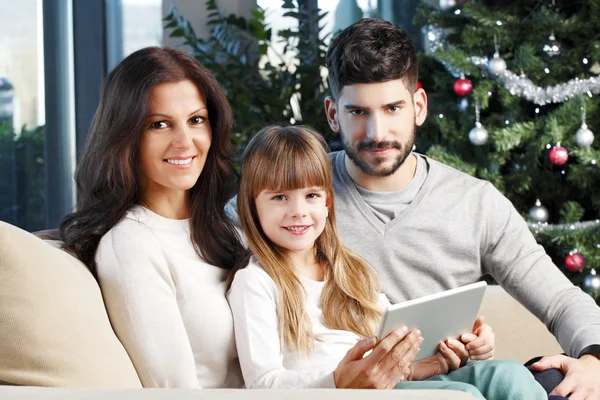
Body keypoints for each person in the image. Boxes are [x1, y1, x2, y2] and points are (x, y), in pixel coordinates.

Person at [319, 18, 600, 399]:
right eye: (357, 113)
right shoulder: (295, 197)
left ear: (418, 106)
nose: (376, 132)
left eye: (392, 108)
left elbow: (561, 300)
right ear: (333, 114)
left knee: (556, 382)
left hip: (453, 387)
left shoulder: (475, 203)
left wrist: (595, 360)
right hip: (341, 389)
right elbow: (221, 240)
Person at [227, 124, 547, 399]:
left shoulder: (353, 271)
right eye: (279, 197)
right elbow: (263, 384)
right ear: (252, 206)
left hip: (391, 388)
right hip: (338, 395)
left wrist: (439, 361)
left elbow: (395, 368)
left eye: (310, 196)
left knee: (510, 376)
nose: (298, 211)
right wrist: (340, 382)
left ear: (326, 202)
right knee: (461, 396)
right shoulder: (256, 281)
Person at [59, 47, 247, 388]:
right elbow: (172, 391)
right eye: (159, 124)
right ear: (126, 136)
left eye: (196, 120)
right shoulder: (132, 245)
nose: (185, 142)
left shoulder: (226, 229)